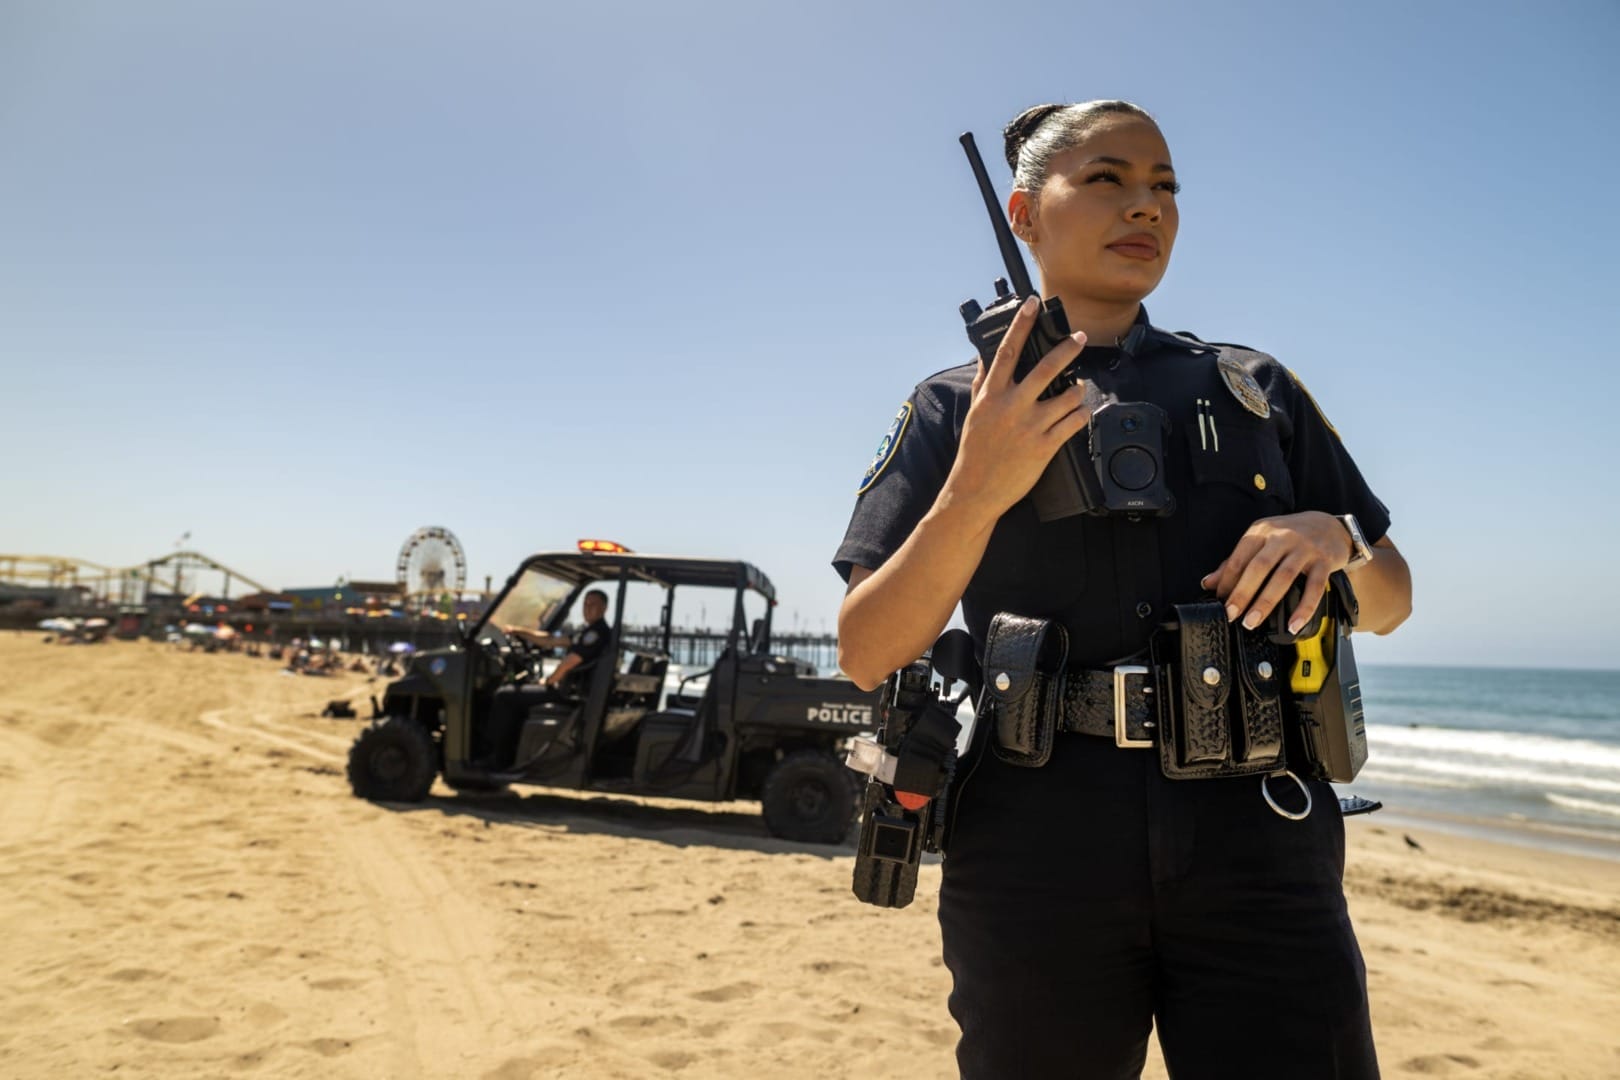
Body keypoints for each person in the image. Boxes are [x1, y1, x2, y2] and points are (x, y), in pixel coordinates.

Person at [833, 101, 1412, 1079]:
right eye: (1106, 178)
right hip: (1037, 841)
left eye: (1165, 185)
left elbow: (1392, 598)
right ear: (1024, 215)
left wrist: (1334, 537)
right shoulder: (954, 406)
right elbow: (867, 650)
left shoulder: (1252, 385)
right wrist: (977, 488)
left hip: (1258, 834)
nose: (1145, 205)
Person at [505, 588, 613, 693]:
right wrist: (518, 631)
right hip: (570, 689)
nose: (587, 608)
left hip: (573, 692)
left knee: (504, 695)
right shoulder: (587, 631)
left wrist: (548, 681)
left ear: (604, 608)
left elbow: (570, 662)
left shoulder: (597, 633)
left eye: (593, 605)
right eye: (585, 604)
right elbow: (550, 640)